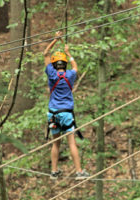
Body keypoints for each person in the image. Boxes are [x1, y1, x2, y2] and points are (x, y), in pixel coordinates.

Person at [44, 31, 89, 179]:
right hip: (66, 114)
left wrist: (56, 40)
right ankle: (79, 172)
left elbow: (45, 53)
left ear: (54, 64)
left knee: (55, 144)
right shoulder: (70, 75)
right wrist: (68, 53)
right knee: (71, 143)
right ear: (65, 63)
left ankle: (54, 171)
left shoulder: (51, 73)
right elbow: (75, 66)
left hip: (53, 114)